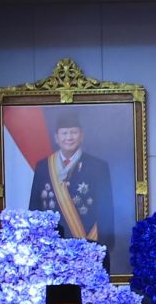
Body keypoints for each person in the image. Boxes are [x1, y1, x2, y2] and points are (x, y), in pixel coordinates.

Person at [28, 112, 115, 263]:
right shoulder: (43, 167)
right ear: (56, 137)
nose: (69, 137)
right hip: (53, 248)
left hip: (89, 245)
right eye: (64, 133)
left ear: (82, 135)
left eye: (74, 132)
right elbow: (35, 207)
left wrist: (104, 245)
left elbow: (106, 210)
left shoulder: (97, 166)